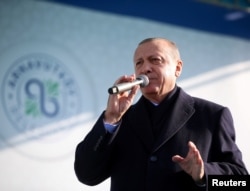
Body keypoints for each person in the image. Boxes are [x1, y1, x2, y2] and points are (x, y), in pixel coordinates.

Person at [74, 37, 248, 191]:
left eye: (155, 60)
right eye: (139, 63)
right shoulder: (120, 120)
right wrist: (110, 119)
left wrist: (204, 174)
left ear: (178, 68)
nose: (145, 69)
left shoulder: (212, 115)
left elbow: (239, 181)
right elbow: (86, 175)